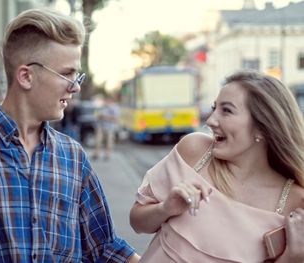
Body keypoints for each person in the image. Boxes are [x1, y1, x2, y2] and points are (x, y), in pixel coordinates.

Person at [0, 8, 140, 262]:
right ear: (26, 76)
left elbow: (104, 248)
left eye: (77, 75)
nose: (75, 87)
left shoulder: (73, 157)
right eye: (66, 74)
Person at [130, 70, 304, 262]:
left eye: (227, 110)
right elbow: (137, 223)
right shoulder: (194, 151)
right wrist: (165, 209)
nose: (211, 120)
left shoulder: (295, 201)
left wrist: (293, 256)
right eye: (214, 108)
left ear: (262, 127)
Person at [93, 95, 120, 160]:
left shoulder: (115, 107)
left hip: (110, 128)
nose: (106, 101)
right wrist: (99, 116)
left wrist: (105, 116)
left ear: (111, 100)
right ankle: (97, 154)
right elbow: (96, 115)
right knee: (98, 141)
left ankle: (107, 155)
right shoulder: (102, 107)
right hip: (100, 126)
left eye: (108, 100)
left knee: (109, 142)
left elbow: (116, 118)